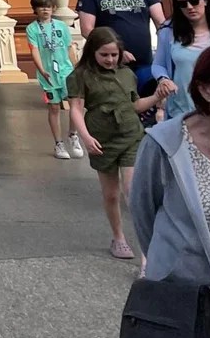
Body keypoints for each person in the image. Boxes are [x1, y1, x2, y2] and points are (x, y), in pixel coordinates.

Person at [68, 26, 170, 259]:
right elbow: (75, 108)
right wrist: (85, 136)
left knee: (132, 192)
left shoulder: (126, 74)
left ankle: (146, 252)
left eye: (114, 55)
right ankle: (118, 237)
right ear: (93, 51)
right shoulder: (80, 76)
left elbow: (135, 105)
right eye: (104, 54)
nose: (110, 59)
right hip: (101, 138)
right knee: (111, 193)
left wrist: (156, 98)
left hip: (130, 134)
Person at [131, 42, 210, 283]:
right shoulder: (165, 143)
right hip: (184, 290)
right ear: (204, 90)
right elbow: (143, 211)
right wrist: (170, 262)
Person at [77, 0, 167, 92]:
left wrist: (166, 51)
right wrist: (117, 52)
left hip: (145, 62)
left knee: (147, 106)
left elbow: (161, 23)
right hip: (110, 65)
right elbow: (87, 30)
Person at [25, 0, 83, 159]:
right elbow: (34, 50)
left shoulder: (61, 26)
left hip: (66, 70)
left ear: (53, 9)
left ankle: (73, 134)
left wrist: (75, 66)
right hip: (48, 74)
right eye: (41, 7)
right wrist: (42, 70)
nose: (45, 10)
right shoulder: (32, 29)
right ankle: (59, 143)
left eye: (48, 7)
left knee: (75, 103)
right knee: (54, 107)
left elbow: (68, 47)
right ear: (35, 10)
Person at [154, 0, 210, 119]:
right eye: (182, 4)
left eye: (194, 1)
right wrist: (163, 79)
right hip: (182, 108)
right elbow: (158, 64)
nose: (189, 7)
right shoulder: (168, 31)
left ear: (205, 1)